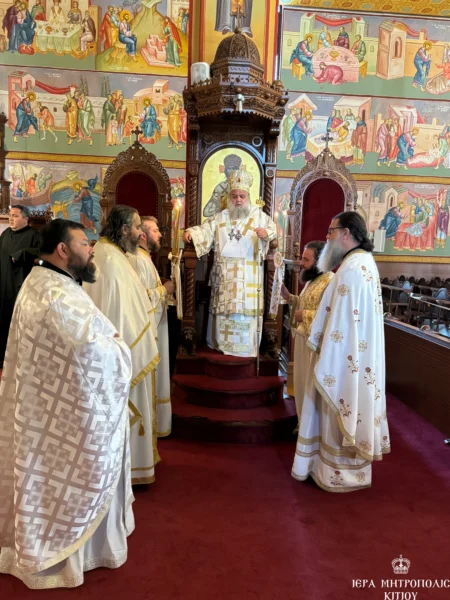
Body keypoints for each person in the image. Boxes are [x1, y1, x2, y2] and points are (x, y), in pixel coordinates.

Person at [0, 219, 134, 588]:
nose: (91, 249)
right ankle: (72, 551)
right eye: (84, 242)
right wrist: (118, 347)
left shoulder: (47, 283)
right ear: (63, 249)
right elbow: (88, 348)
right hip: (62, 417)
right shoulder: (53, 294)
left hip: (48, 410)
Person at [292, 212, 391, 492]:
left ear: (346, 233)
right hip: (356, 354)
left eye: (331, 231)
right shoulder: (362, 262)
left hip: (344, 359)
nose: (328, 237)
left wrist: (321, 345)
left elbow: (341, 323)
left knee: (334, 407)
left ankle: (336, 471)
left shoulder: (352, 269)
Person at [84, 205, 160, 485]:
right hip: (124, 352)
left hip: (120, 348)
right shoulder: (112, 260)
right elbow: (121, 313)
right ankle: (128, 468)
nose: (141, 233)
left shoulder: (112, 254)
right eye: (138, 227)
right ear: (124, 229)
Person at [183, 169, 276, 357]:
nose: (238, 200)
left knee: (244, 311)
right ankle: (222, 344)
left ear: (248, 197)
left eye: (242, 196)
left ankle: (246, 348)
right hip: (225, 274)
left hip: (249, 275)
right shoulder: (221, 217)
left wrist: (267, 234)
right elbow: (205, 230)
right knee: (225, 309)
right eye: (234, 196)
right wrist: (191, 233)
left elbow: (273, 231)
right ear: (229, 197)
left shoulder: (259, 216)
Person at [127, 217, 174, 437]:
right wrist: (165, 290)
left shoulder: (145, 258)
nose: (160, 234)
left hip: (157, 329)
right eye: (155, 231)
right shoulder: (138, 260)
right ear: (143, 235)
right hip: (148, 333)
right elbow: (140, 301)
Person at [280, 241, 333, 420]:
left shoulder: (329, 282)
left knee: (309, 385)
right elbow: (305, 304)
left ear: (320, 261)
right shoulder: (313, 280)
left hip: (314, 346)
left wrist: (305, 315)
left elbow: (331, 314)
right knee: (302, 382)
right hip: (303, 340)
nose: (302, 263)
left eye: (306, 259)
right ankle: (302, 421)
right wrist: (290, 298)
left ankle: (309, 425)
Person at [0, 205, 40, 368]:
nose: (11, 218)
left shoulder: (34, 235)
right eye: (10, 215)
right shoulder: (5, 234)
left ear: (26, 219)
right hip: (3, 283)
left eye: (15, 216)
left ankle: (19, 357)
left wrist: (24, 253)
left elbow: (42, 253)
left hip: (21, 284)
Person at [203, 153, 242, 218]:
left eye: (234, 168)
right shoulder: (221, 187)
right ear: (226, 170)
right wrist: (222, 206)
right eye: (229, 168)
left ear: (239, 170)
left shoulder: (244, 187)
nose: (232, 171)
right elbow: (206, 212)